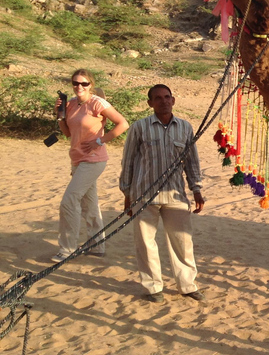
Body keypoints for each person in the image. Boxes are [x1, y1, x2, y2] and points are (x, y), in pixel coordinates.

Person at [119, 84, 205, 303]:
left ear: (173, 100)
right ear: (150, 103)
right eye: (158, 98)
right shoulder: (139, 127)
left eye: (167, 97)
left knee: (183, 242)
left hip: (175, 195)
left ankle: (187, 285)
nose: (163, 101)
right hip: (144, 195)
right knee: (146, 243)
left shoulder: (185, 128)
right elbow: (128, 161)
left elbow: (192, 161)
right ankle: (153, 286)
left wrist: (196, 189)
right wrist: (127, 193)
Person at [52, 69, 129, 262]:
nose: (79, 87)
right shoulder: (70, 103)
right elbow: (68, 134)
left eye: (84, 83)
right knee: (89, 204)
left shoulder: (97, 102)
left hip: (94, 159)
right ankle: (97, 245)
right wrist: (59, 115)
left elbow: (123, 124)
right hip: (77, 158)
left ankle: (66, 249)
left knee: (69, 201)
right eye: (76, 83)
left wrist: (100, 141)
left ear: (90, 85)